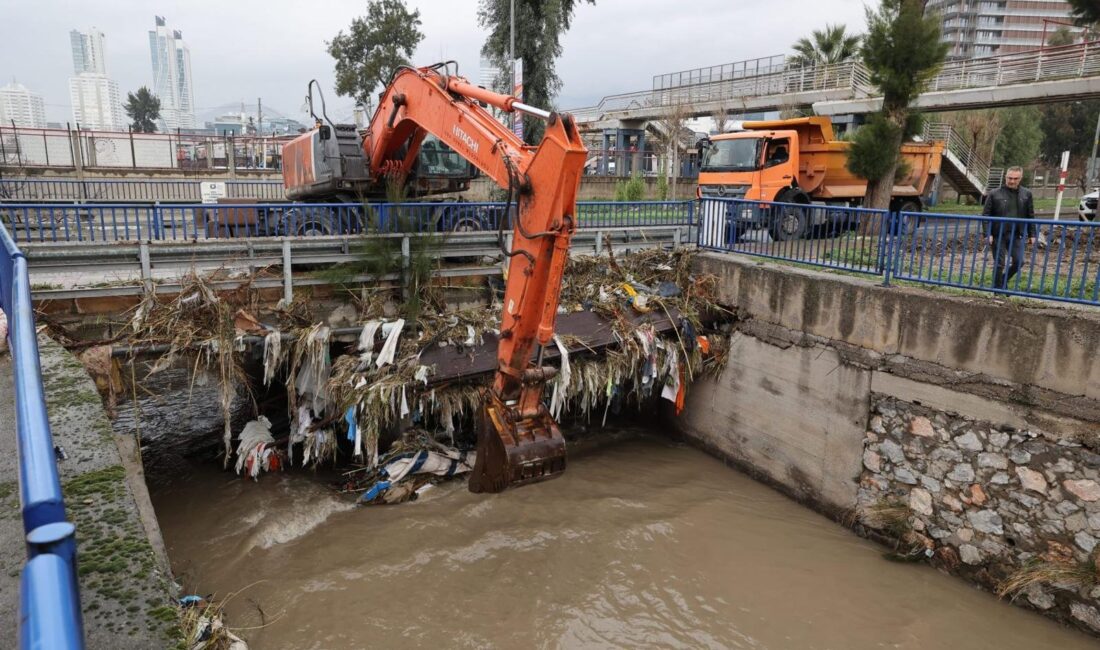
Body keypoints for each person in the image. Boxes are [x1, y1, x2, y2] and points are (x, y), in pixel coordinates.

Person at [982, 166, 1035, 290]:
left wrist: (1032, 234)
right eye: (1009, 178)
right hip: (998, 233)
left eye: (1015, 179)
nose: (1012, 181)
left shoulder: (1026, 194)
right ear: (1006, 177)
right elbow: (985, 215)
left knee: (1019, 261)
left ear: (1020, 178)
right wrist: (987, 233)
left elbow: (1030, 215)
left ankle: (1002, 281)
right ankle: (997, 290)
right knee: (1000, 263)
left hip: (1016, 234)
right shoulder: (995, 193)